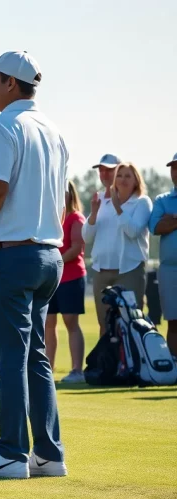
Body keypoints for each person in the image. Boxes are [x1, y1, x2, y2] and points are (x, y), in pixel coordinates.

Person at [0, 51, 67, 478]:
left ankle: (10, 454)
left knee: (10, 357)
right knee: (35, 357)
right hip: (49, 257)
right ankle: (49, 454)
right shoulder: (54, 130)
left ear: (10, 83)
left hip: (14, 254)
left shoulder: (2, 124)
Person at [82, 162, 152, 334]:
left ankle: (131, 361)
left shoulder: (142, 202)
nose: (123, 180)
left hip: (129, 271)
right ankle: (107, 362)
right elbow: (87, 237)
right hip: (102, 271)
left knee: (131, 324)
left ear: (136, 180)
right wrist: (93, 213)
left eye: (128, 176)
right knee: (105, 326)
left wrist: (117, 207)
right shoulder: (102, 202)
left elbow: (133, 231)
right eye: (119, 176)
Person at [45, 180, 87, 382]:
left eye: (65, 192)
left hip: (71, 277)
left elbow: (77, 247)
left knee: (71, 322)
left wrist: (54, 261)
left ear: (71, 194)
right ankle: (47, 370)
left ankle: (77, 370)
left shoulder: (76, 218)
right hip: (51, 279)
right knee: (48, 323)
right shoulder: (49, 218)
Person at [149, 153, 177, 357]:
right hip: (170, 270)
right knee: (174, 322)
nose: (176, 171)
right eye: (173, 167)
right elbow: (156, 226)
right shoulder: (162, 200)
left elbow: (166, 224)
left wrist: (173, 219)